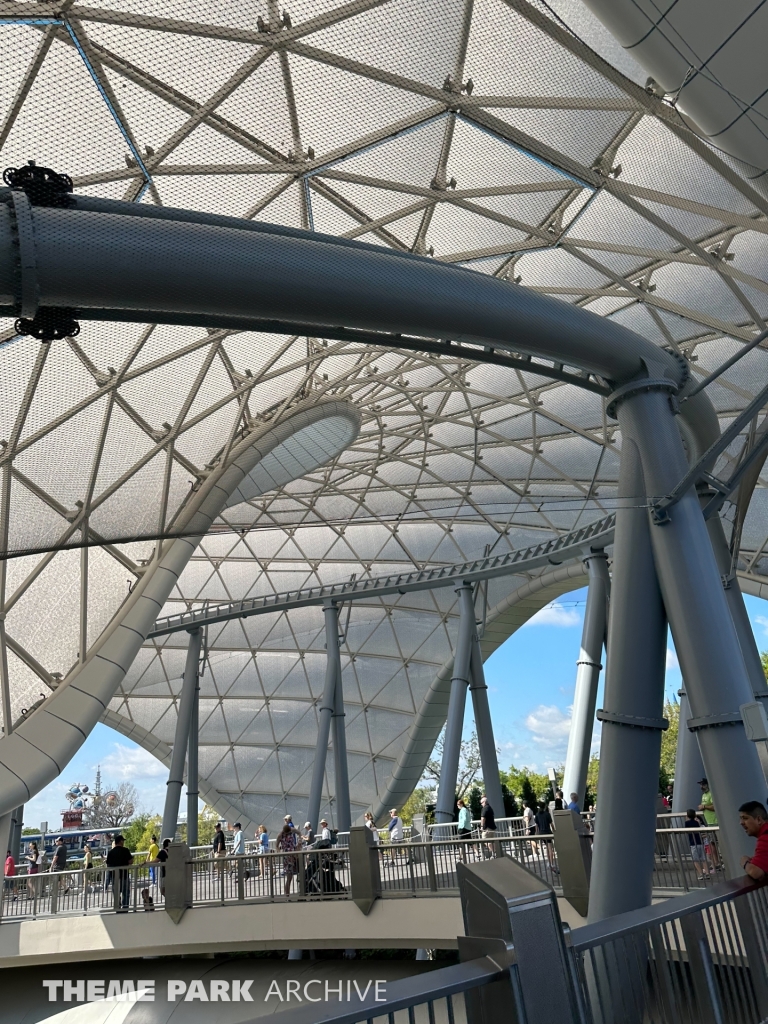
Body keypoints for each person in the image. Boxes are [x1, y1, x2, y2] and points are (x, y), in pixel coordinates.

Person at [739, 801, 768, 881]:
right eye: (740, 819)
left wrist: (744, 862)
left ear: (759, 819)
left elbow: (756, 872)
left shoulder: (765, 839)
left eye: (745, 818)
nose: (741, 823)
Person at [697, 778, 721, 870]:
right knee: (712, 843)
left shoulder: (712, 793)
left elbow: (715, 806)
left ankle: (722, 861)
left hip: (716, 822)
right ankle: (716, 862)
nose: (701, 786)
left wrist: (704, 806)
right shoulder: (704, 795)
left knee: (719, 843)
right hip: (709, 822)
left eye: (703, 784)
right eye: (700, 785)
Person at [105, 835, 133, 911]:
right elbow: (131, 861)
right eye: (123, 841)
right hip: (124, 875)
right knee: (126, 893)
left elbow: (108, 865)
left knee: (116, 893)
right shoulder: (125, 850)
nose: (123, 842)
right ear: (121, 841)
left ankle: (117, 906)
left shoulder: (111, 852)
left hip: (115, 877)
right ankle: (125, 907)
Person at [684, 808, 710, 880]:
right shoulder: (697, 823)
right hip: (700, 842)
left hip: (693, 843)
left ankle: (701, 874)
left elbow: (686, 831)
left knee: (695, 860)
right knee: (703, 859)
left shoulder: (687, 823)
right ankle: (707, 873)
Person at [277, 823, 299, 895]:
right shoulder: (280, 835)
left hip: (294, 855)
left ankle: (290, 893)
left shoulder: (291, 830)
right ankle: (287, 894)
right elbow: (277, 845)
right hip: (287, 857)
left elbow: (298, 832)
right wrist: (279, 851)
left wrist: (300, 839)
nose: (289, 834)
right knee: (289, 876)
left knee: (293, 875)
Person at [534, 802, 557, 871]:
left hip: (541, 833)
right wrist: (554, 830)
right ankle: (551, 863)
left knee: (547, 847)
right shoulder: (547, 814)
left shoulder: (537, 815)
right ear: (545, 807)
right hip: (547, 832)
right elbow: (551, 824)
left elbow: (536, 825)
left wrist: (536, 832)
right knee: (550, 848)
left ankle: (548, 862)